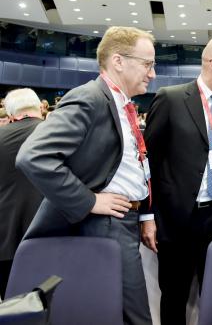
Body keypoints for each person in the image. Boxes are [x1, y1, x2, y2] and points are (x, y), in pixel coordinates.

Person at [16, 26, 156, 325]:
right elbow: (33, 156)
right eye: (147, 64)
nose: (152, 73)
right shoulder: (89, 98)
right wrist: (89, 200)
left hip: (122, 220)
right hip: (105, 223)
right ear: (118, 61)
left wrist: (144, 214)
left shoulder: (120, 103)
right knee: (133, 316)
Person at [143, 37, 212, 325]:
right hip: (176, 221)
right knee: (174, 296)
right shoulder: (170, 98)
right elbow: (148, 163)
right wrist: (147, 216)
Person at [0, 88, 44, 299]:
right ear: (40, 108)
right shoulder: (58, 133)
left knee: (12, 308)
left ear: (9, 113)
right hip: (52, 235)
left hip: (5, 241)